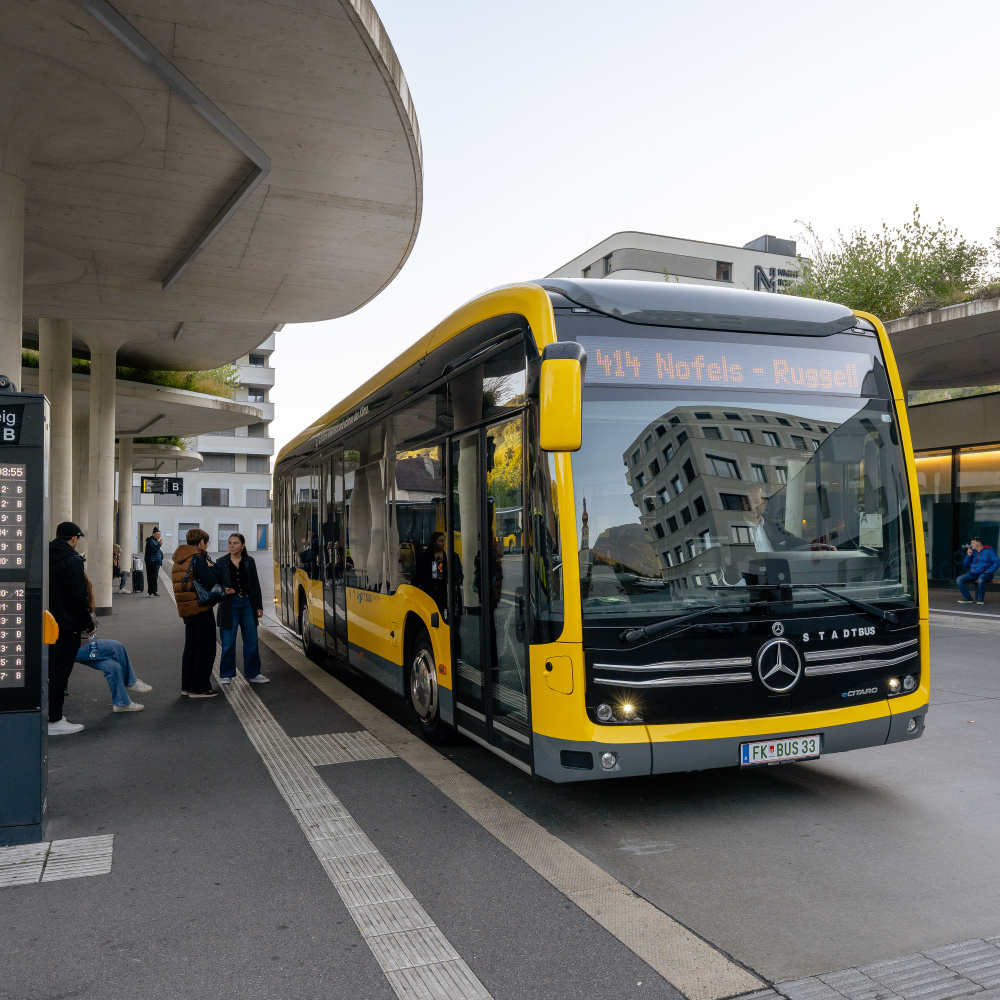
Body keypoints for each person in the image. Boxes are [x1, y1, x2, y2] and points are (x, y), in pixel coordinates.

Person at [76, 577, 151, 712]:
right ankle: (131, 681)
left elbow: (91, 629)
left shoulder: (83, 601)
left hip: (87, 643)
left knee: (113, 666)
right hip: (76, 646)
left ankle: (121, 703)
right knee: (116, 646)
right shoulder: (73, 601)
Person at [47, 521, 92, 736]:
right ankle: (55, 720)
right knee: (60, 674)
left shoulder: (46, 556)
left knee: (50, 671)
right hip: (67, 627)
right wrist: (87, 623)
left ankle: (50, 713)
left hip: (48, 624)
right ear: (74, 538)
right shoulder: (72, 561)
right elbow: (78, 597)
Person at [172, 528, 220, 698]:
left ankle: (187, 686)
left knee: (191, 647)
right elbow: (210, 581)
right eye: (206, 543)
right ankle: (199, 688)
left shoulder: (179, 559)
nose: (206, 546)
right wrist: (212, 567)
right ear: (201, 542)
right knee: (206, 648)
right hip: (200, 608)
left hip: (186, 609)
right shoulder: (198, 558)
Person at [216, 532, 268, 684]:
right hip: (229, 605)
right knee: (228, 642)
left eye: (235, 543)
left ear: (243, 545)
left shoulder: (249, 561)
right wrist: (225, 589)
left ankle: (253, 673)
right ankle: (226, 674)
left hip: (247, 603)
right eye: (230, 543)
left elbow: (255, 584)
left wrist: (258, 605)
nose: (232, 546)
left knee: (251, 640)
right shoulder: (221, 562)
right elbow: (216, 584)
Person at [956, 537, 1000, 604]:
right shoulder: (972, 552)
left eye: (973, 543)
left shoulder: (988, 551)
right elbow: (965, 564)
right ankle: (968, 598)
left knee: (981, 579)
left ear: (979, 543)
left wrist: (989, 571)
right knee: (959, 579)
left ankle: (980, 599)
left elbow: (997, 562)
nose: (971, 545)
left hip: (986, 573)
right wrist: (968, 555)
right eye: (971, 543)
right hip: (973, 573)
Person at [144, 527, 163, 596]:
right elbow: (153, 550)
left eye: (160, 534)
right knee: (153, 577)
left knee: (152, 577)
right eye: (157, 534)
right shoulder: (151, 541)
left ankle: (151, 591)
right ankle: (154, 591)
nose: (159, 536)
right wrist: (159, 544)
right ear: (153, 534)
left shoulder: (154, 541)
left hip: (155, 561)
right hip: (152, 562)